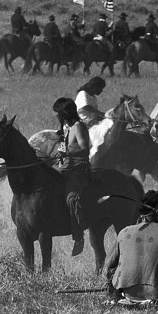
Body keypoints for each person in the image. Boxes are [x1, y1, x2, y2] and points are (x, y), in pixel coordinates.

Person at [53, 97, 91, 256]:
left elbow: (85, 149)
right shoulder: (66, 127)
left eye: (58, 113)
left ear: (64, 113)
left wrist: (66, 153)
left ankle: (78, 237)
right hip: (65, 166)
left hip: (77, 168)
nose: (56, 116)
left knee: (71, 199)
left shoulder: (78, 127)